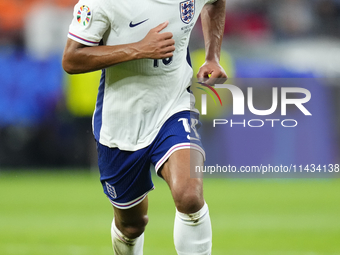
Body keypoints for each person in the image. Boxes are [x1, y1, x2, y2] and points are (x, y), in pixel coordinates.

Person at [62, 0, 227, 254]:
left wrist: (212, 57)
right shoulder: (101, 3)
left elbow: (216, 3)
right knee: (131, 226)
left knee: (189, 196)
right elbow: (72, 59)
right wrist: (138, 49)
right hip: (121, 121)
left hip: (174, 105)